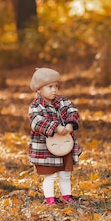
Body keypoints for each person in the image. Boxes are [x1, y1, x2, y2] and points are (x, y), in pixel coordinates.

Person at [28, 67, 82, 205]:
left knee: (65, 173)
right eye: (50, 87)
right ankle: (50, 199)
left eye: (56, 86)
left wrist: (70, 124)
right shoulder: (36, 105)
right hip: (46, 148)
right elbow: (36, 121)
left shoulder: (63, 101)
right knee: (50, 175)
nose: (54, 90)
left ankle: (67, 196)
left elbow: (72, 111)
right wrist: (55, 127)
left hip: (64, 145)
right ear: (39, 89)